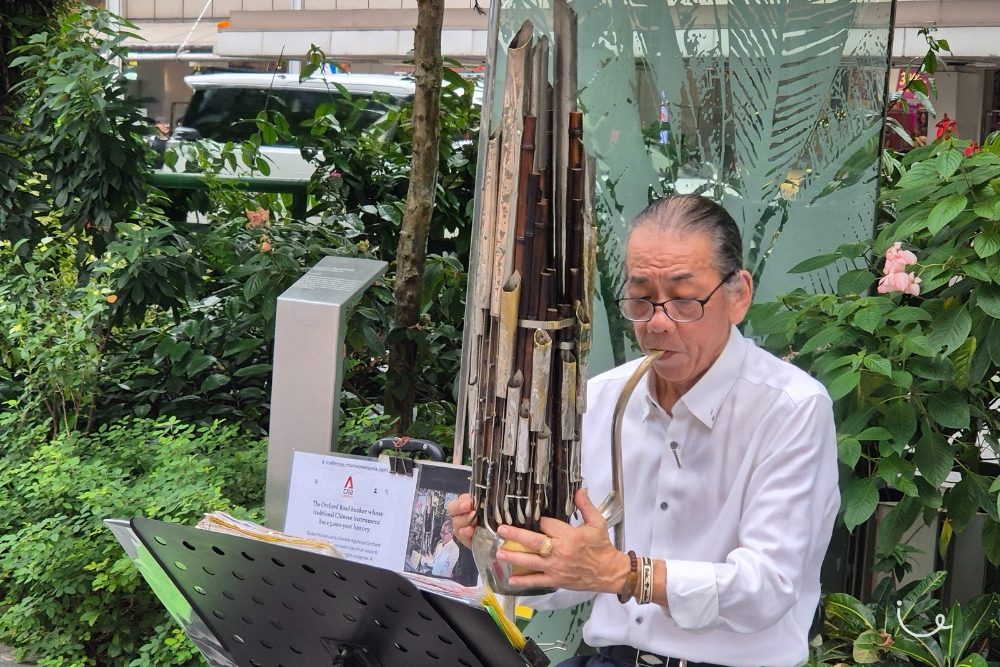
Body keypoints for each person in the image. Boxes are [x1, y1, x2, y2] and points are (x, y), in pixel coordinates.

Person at [448, 194, 839, 667]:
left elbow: (767, 587)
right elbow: (564, 581)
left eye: (683, 300)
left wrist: (627, 574)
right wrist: (497, 543)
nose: (657, 323)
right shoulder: (604, 398)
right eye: (641, 300)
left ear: (738, 295)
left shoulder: (792, 408)